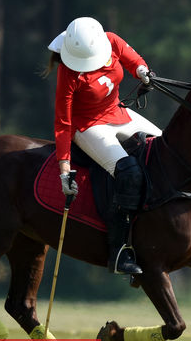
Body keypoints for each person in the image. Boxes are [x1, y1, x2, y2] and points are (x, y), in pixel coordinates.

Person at [44, 16, 162, 275]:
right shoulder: (68, 71)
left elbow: (133, 60)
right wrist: (64, 169)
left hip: (118, 113)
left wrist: (142, 71)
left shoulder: (110, 40)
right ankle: (119, 251)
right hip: (87, 127)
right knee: (129, 172)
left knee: (163, 152)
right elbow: (63, 123)